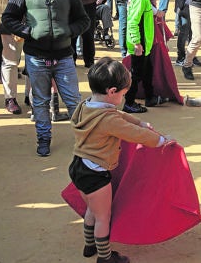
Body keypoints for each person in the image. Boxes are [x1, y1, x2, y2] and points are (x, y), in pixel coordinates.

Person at [69, 57, 173, 263]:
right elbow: (134, 133)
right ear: (112, 91)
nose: (123, 98)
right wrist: (161, 140)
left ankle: (90, 246)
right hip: (95, 175)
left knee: (92, 210)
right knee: (103, 217)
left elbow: (119, 116)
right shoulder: (109, 120)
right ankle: (106, 258)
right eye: (123, 94)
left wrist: (140, 121)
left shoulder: (86, 105)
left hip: (78, 166)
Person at [2, 0, 90, 156]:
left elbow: (84, 20)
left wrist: (68, 31)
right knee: (40, 102)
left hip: (64, 57)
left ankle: (85, 140)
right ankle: (43, 138)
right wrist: (28, 31)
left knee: (73, 100)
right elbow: (8, 18)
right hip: (36, 57)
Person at [123, 0, 168, 113]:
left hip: (145, 44)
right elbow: (133, 22)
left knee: (147, 71)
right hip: (139, 44)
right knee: (136, 74)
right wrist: (137, 43)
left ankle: (150, 97)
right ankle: (129, 102)